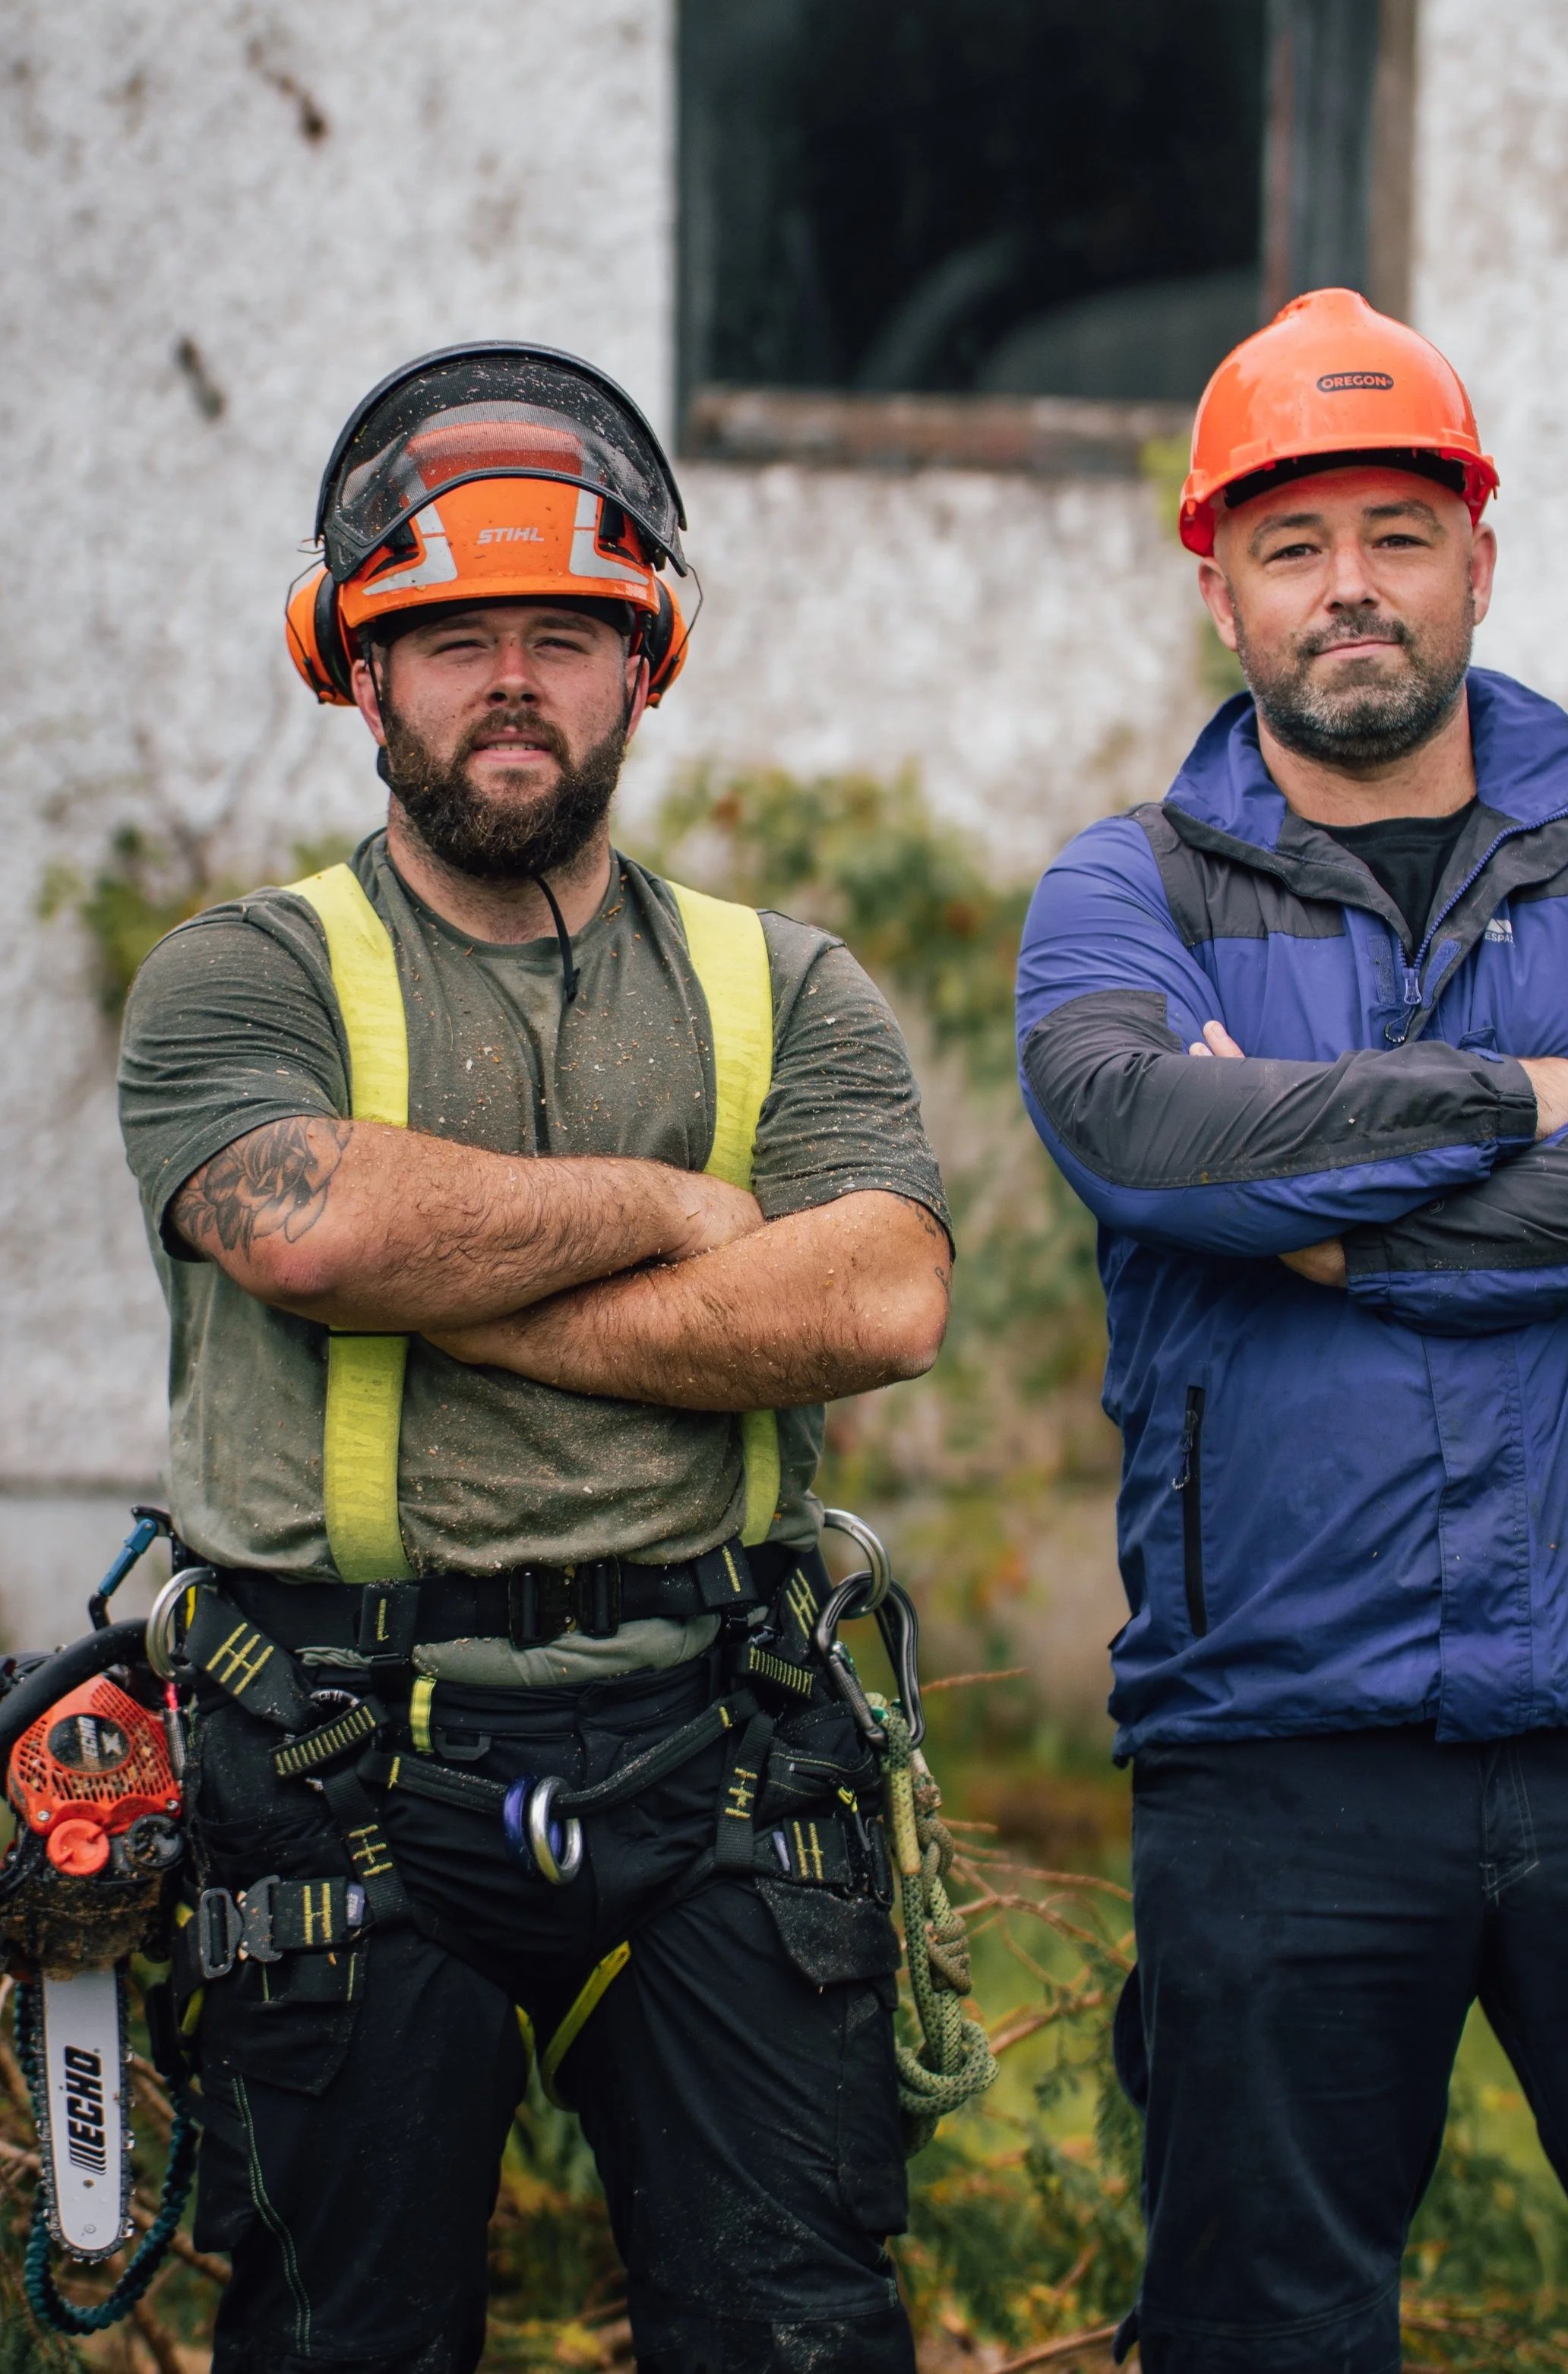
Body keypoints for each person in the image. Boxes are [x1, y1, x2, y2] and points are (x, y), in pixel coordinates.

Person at [1016, 287, 1568, 2373]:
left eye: (1397, 535)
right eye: (1294, 545)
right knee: (1264, 2340)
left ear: (1476, 561)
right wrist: (1513, 1093)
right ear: (1218, 584)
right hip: (1278, 1747)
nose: (1351, 590)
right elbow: (1154, 1134)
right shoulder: (1120, 891)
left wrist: (1336, 1229)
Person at [118, 343, 951, 2374]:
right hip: (336, 1752)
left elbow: (880, 1301)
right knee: (342, 2343)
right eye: (452, 637)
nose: (513, 681)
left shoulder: (788, 988)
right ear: (357, 670)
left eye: (565, 636)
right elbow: (307, 1225)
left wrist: (451, 1267)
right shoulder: (243, 976)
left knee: (794, 2334)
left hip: (720, 1738)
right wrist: (679, 1219)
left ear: (644, 664)